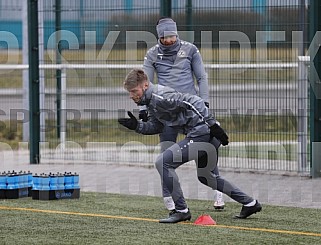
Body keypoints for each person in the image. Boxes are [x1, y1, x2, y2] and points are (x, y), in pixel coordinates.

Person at [118, 69, 262, 223]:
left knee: (163, 162)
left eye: (134, 91)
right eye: (130, 92)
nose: (132, 96)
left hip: (203, 133)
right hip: (204, 133)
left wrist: (213, 125)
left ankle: (182, 211)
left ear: (145, 85)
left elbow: (194, 101)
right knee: (206, 177)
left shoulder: (160, 96)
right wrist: (137, 126)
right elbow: (157, 126)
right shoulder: (151, 102)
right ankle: (250, 203)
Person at [142, 17, 225, 212]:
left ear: (177, 34)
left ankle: (219, 193)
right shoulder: (152, 55)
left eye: (172, 36)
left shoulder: (190, 49)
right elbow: (144, 82)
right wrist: (143, 109)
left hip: (191, 110)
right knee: (167, 155)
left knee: (205, 149)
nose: (169, 40)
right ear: (159, 37)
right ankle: (168, 198)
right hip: (167, 112)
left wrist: (204, 102)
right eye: (165, 37)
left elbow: (202, 77)